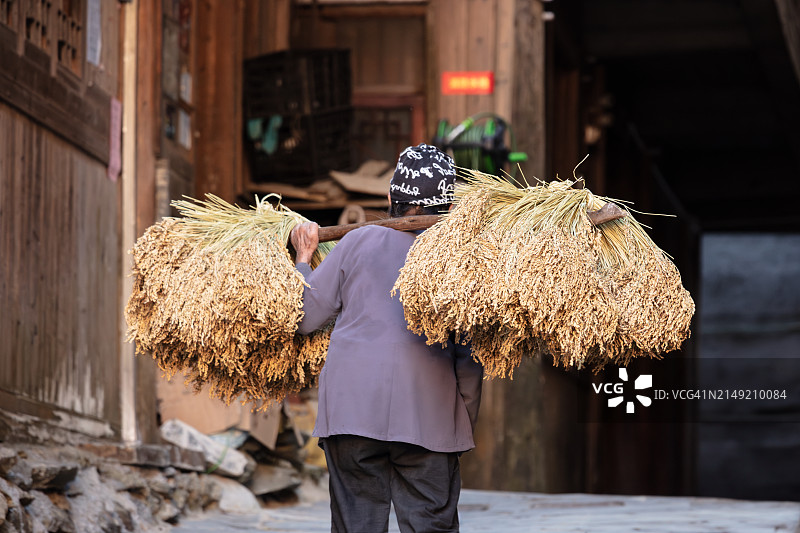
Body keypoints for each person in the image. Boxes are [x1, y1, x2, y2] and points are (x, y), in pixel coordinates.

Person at [290, 144, 483, 533]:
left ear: (392, 196)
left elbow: (306, 318)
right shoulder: (459, 261)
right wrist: (462, 419)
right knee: (431, 525)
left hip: (351, 414)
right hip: (429, 418)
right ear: (449, 205)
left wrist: (303, 258)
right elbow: (468, 357)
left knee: (356, 523)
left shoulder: (357, 242)